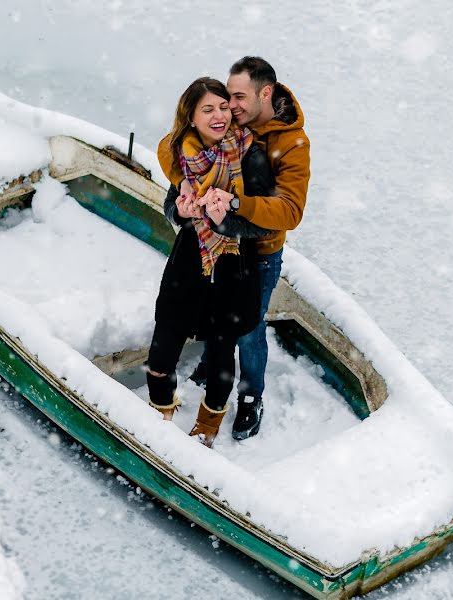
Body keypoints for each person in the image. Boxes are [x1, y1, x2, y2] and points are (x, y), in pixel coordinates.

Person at [157, 57, 311, 441]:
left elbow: (290, 210)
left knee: (248, 328)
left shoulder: (291, 143)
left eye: (237, 97)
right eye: (227, 98)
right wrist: (186, 186)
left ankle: (250, 395)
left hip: (257, 251)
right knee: (215, 314)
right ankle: (211, 363)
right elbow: (172, 145)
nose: (231, 105)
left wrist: (236, 204)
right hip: (218, 243)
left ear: (265, 93)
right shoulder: (231, 122)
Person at [146, 76, 275, 448]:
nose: (219, 115)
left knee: (222, 352)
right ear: (191, 118)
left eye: (223, 107)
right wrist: (182, 212)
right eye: (208, 110)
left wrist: (227, 217)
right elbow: (172, 204)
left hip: (235, 268)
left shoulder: (251, 156)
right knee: (164, 341)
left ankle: (206, 428)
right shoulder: (184, 156)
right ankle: (160, 412)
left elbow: (262, 221)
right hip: (189, 263)